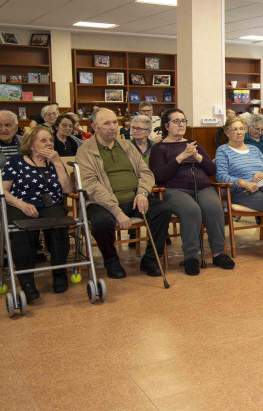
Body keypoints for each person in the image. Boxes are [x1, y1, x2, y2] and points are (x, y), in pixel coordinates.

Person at [75, 108, 173, 279]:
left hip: (134, 200)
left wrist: (142, 192)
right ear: (94, 127)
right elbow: (91, 185)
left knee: (163, 209)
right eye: (106, 123)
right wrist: (117, 211)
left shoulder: (127, 145)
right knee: (101, 221)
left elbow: (146, 173)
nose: (113, 127)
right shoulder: (85, 151)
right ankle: (111, 261)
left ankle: (150, 259)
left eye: (115, 122)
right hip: (102, 204)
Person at [149, 109, 234, 275]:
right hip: (174, 190)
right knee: (191, 210)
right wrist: (180, 158)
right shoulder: (159, 148)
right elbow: (159, 176)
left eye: (183, 120)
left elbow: (212, 169)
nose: (181, 125)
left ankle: (218, 253)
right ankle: (191, 257)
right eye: (176, 121)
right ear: (166, 125)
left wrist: (198, 157)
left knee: (213, 207)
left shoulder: (193, 144)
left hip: (202, 187)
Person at [1, 126, 74, 300]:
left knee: (59, 227)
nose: (49, 143)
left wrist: (57, 163)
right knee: (22, 232)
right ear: (31, 144)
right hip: (19, 204)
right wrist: (22, 204)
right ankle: (27, 282)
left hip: (50, 205)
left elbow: (67, 189)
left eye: (50, 140)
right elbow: (3, 191)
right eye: (43, 140)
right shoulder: (15, 161)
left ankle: (59, 274)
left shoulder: (55, 162)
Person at [215, 116, 263, 261]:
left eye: (241, 129)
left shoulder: (253, 149)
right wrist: (243, 183)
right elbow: (221, 176)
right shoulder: (223, 151)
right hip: (240, 191)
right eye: (234, 129)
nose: (239, 132)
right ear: (227, 132)